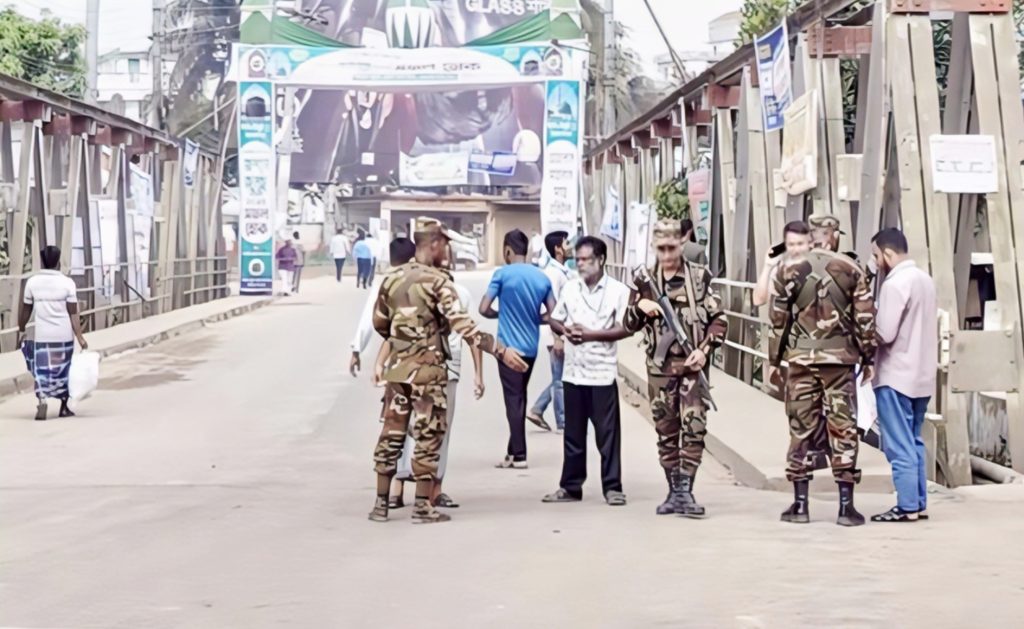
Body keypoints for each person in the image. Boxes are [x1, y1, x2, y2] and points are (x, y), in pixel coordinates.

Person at [369, 218, 528, 524]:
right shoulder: (438, 282)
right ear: (434, 244)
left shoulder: (391, 279)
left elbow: (381, 324)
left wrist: (404, 343)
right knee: (428, 437)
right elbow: (464, 325)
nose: (448, 251)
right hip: (428, 375)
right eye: (445, 244)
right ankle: (422, 507)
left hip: (398, 373)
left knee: (391, 435)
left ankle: (380, 505)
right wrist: (500, 351)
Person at [770, 214, 877, 527]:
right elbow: (865, 321)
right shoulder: (851, 268)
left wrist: (774, 361)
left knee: (801, 428)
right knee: (843, 428)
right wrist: (868, 358)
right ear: (835, 236)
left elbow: (778, 322)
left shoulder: (788, 269)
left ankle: (800, 505)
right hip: (839, 364)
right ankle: (846, 508)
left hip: (800, 362)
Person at [623, 219, 727, 518]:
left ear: (681, 244)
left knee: (694, 428)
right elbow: (628, 325)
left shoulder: (699, 278)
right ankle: (673, 491)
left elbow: (719, 320)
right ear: (654, 247)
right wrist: (638, 308)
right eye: (661, 249)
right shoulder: (644, 281)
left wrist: (704, 350)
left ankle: (685, 490)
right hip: (660, 371)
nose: (667, 255)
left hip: (692, 370)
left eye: (672, 248)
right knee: (666, 432)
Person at [543, 237, 633, 506]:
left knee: (608, 436)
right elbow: (555, 319)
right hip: (573, 372)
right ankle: (571, 486)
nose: (580, 264)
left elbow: (625, 328)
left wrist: (591, 335)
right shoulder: (571, 288)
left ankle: (613, 487)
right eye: (578, 259)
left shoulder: (618, 291)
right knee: (573, 434)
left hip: (602, 373)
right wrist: (565, 330)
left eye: (586, 259)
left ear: (601, 260)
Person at [870, 228, 936, 523]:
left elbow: (885, 332)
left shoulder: (894, 284)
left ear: (887, 253)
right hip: (922, 376)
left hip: (896, 375)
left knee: (898, 445)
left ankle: (907, 506)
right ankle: (918, 503)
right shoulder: (925, 280)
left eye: (876, 256)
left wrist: (866, 321)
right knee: (914, 440)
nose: (875, 263)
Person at [479, 229, 555, 469]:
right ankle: (511, 453)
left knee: (513, 400)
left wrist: (500, 313)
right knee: (520, 396)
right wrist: (535, 318)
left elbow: (483, 308)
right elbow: (553, 314)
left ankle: (520, 455)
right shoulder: (542, 278)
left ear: (507, 251)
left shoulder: (502, 274)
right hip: (531, 348)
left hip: (507, 349)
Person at [17, 246, 89, 421]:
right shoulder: (67, 283)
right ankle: (64, 407)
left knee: (42, 370)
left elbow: (26, 309)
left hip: (43, 337)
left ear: (42, 262)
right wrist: (80, 337)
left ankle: (42, 399)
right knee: (63, 371)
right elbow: (73, 312)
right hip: (63, 337)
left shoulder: (33, 282)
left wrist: (21, 327)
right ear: (58, 262)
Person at [350, 238, 417, 378]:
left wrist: (357, 350)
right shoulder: (426, 279)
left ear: (391, 258)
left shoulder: (385, 282)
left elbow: (369, 317)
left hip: (397, 352)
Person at [527, 230, 572, 433]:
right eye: (567, 243)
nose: (571, 247)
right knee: (560, 380)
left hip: (562, 331)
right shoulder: (553, 274)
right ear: (558, 249)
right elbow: (550, 308)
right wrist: (557, 337)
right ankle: (562, 422)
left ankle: (537, 409)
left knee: (560, 376)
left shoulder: (562, 271)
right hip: (555, 333)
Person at [753, 221, 812, 307]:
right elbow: (758, 300)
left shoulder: (819, 264)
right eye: (791, 244)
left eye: (800, 244)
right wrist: (768, 266)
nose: (796, 250)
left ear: (809, 243)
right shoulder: (781, 269)